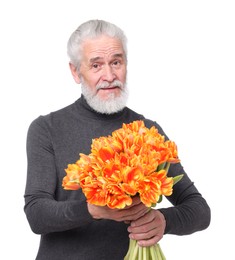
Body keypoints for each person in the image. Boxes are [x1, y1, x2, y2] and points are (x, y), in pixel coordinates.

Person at [24, 19, 211, 260]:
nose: (109, 75)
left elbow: (199, 210)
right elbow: (36, 215)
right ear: (75, 71)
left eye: (116, 62)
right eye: (96, 65)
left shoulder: (148, 132)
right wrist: (93, 209)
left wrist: (164, 220)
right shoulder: (46, 128)